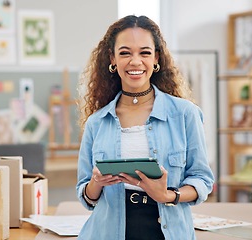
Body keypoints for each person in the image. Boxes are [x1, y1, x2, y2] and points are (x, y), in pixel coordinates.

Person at [76, 15, 214, 240]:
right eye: (125, 53)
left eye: (144, 52)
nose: (135, 61)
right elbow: (86, 196)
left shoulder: (185, 114)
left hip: (167, 232)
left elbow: (202, 179)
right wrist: (96, 183)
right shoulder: (97, 122)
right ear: (112, 59)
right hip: (107, 232)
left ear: (156, 58)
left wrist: (167, 195)